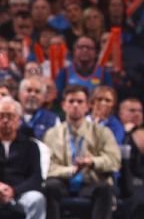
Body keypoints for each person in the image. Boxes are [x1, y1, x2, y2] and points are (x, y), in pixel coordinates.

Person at [43, 85, 120, 219]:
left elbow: (114, 160)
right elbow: (47, 166)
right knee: (50, 187)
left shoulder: (102, 132)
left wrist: (92, 162)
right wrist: (69, 170)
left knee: (105, 189)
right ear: (63, 105)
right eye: (71, 101)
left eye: (80, 101)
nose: (75, 105)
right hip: (63, 182)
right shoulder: (51, 134)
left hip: (91, 181)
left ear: (87, 106)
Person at [0, 95, 46, 219]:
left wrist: (14, 191)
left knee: (37, 199)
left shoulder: (30, 146)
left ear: (18, 121)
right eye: (1, 116)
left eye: (9, 116)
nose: (5, 120)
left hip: (20, 193)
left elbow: (36, 178)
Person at [118, 98, 144, 219]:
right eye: (132, 110)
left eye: (140, 111)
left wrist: (134, 131)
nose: (137, 114)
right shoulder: (112, 131)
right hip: (116, 185)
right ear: (120, 114)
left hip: (140, 185)